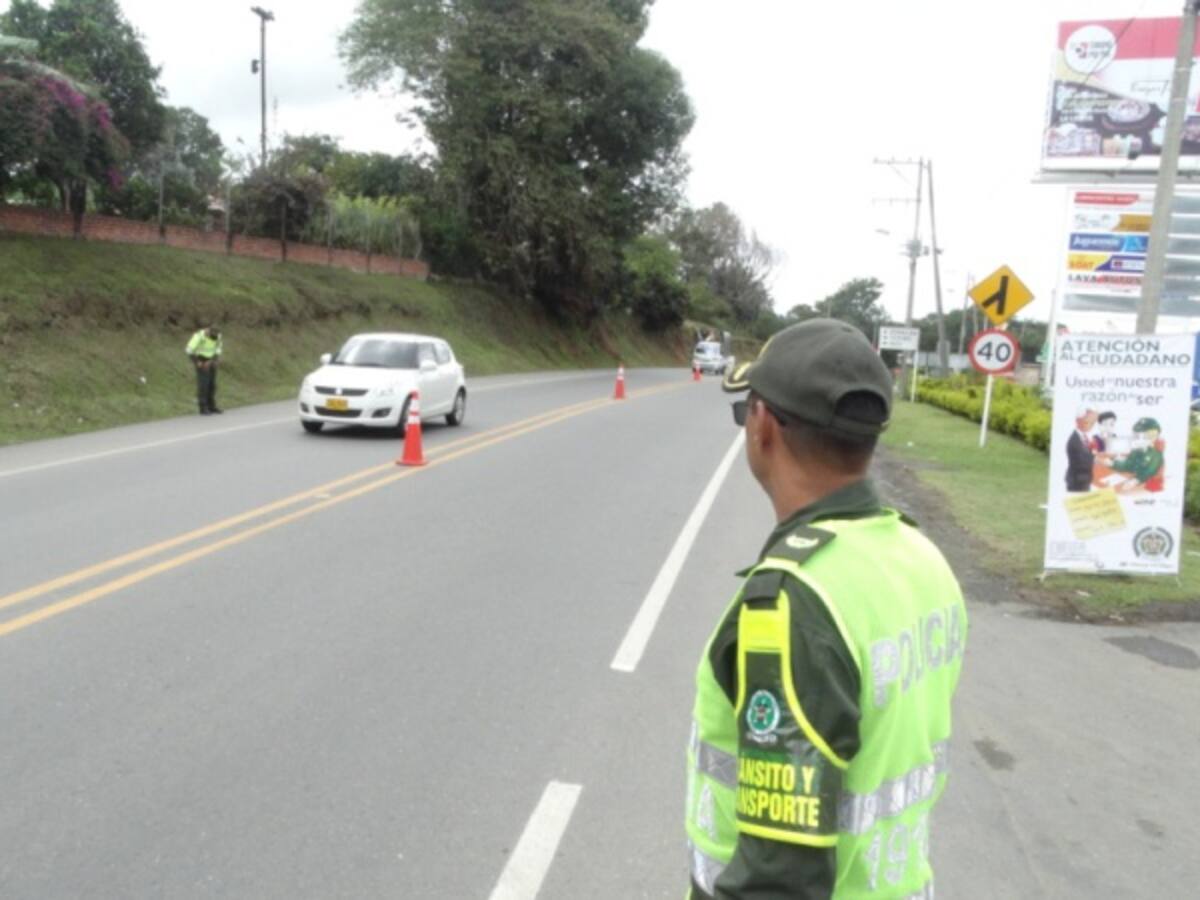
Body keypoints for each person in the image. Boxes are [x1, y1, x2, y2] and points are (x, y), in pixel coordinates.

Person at [685, 319, 967, 899]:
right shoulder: (921, 557)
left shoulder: (791, 605)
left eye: (746, 412)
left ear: (762, 425)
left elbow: (779, 880)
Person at [1106, 417, 1165, 493]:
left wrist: (1135, 481)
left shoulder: (1156, 455)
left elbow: (1149, 472)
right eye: (1136, 437)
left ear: (1153, 437)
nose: (1136, 440)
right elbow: (1128, 465)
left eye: (1141, 437)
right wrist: (1113, 464)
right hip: (1128, 479)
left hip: (1146, 487)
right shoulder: (1136, 451)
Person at [186, 325, 223, 415]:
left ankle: (212, 406)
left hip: (211, 360)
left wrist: (215, 360)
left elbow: (218, 349)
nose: (214, 338)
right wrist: (197, 362)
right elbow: (188, 350)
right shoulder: (199, 336)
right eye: (212, 336)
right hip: (200, 360)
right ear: (208, 332)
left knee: (212, 384)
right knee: (204, 385)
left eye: (216, 336)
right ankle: (203, 408)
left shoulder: (218, 336)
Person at [1065, 407, 1097, 493]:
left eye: (1093, 422)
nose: (1091, 425)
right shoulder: (1074, 440)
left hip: (1083, 479)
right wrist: (1096, 459)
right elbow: (1082, 462)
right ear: (1078, 421)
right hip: (1077, 481)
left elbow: (1088, 453)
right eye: (1087, 422)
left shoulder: (1084, 437)